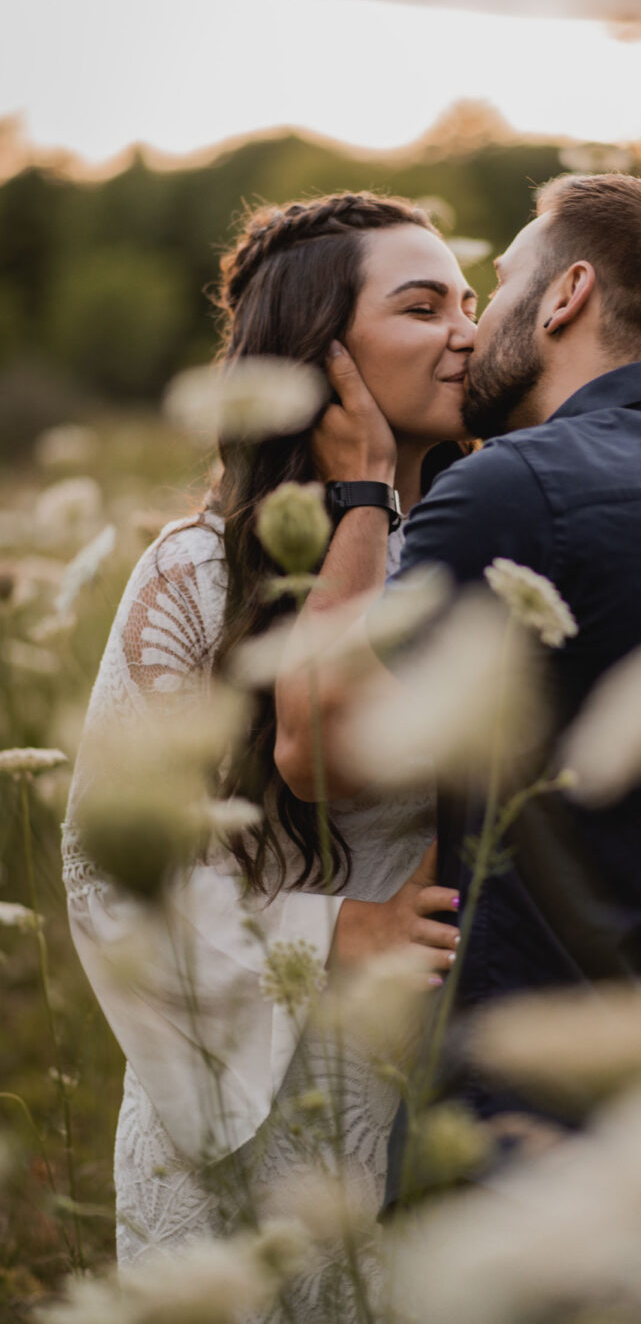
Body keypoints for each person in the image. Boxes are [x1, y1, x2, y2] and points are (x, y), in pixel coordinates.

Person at [274, 173, 641, 1154]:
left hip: (514, 1104)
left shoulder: (516, 487)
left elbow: (315, 745)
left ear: (566, 294)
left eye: (498, 285)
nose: (472, 330)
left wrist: (362, 488)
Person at [61, 191, 474, 1299]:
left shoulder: (479, 561)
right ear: (321, 357)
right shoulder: (195, 574)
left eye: (470, 303)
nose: (467, 333)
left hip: (436, 1080)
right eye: (423, 306)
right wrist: (334, 932)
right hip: (258, 1096)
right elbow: (110, 862)